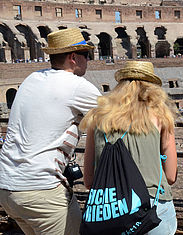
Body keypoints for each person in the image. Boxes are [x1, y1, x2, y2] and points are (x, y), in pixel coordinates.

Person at [0, 28, 101, 234]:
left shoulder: (32, 78)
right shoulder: (76, 85)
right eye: (86, 55)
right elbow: (119, 119)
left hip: (7, 187)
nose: (88, 61)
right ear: (73, 57)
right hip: (39, 190)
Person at [79, 61, 178, 235]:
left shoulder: (97, 118)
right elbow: (170, 176)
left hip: (112, 213)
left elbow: (88, 181)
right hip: (153, 208)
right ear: (152, 88)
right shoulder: (160, 116)